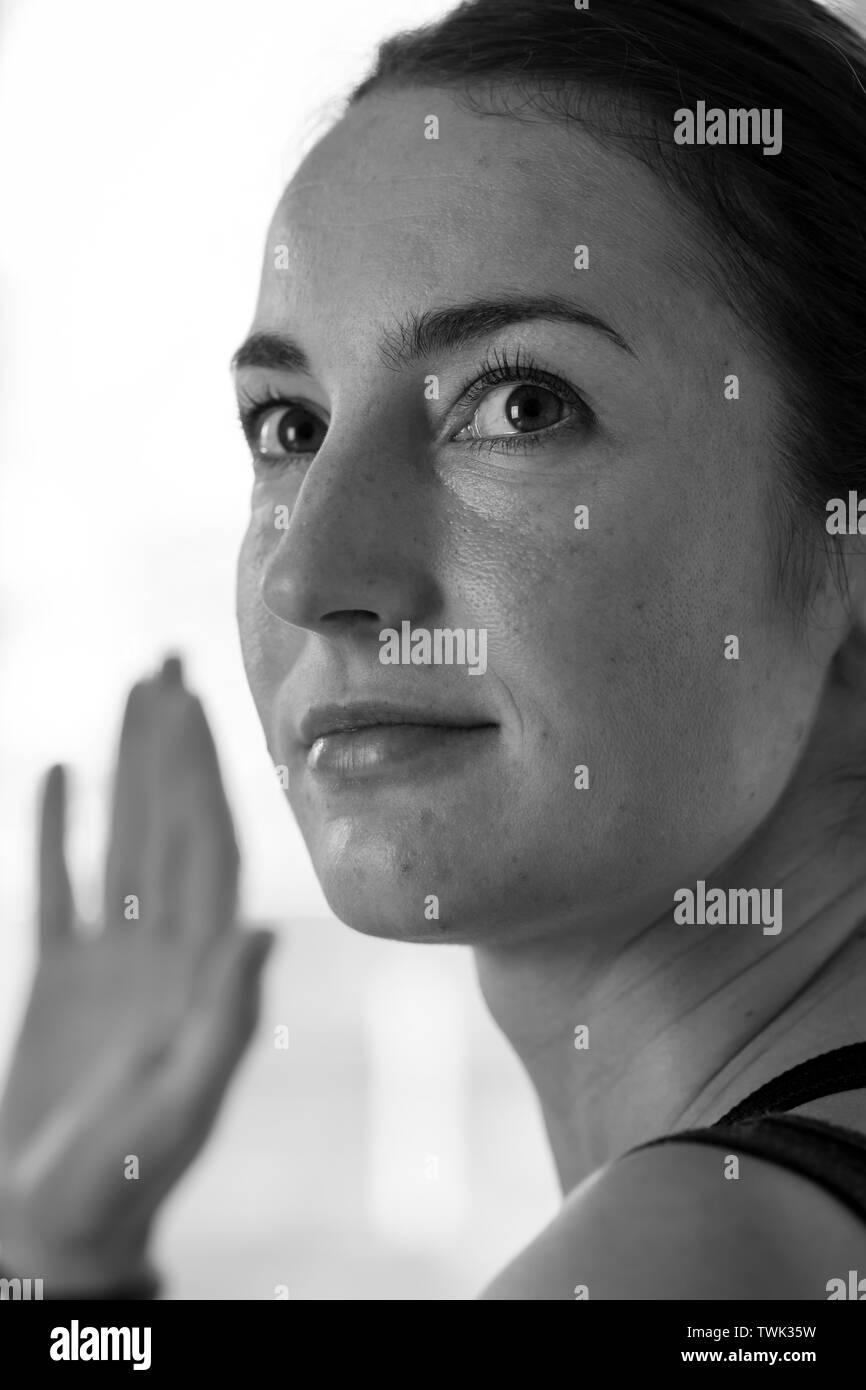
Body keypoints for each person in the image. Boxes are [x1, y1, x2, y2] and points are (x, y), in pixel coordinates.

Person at [2, 0, 866, 1300]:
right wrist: (60, 1257)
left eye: (519, 405)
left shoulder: (686, 1256)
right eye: (288, 425)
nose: (310, 573)